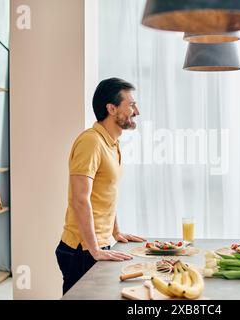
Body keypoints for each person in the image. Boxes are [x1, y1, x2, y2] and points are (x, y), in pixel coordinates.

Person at [55, 77, 146, 295]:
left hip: (98, 244)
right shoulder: (91, 141)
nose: (137, 111)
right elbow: (80, 198)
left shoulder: (112, 143)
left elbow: (105, 192)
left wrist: (115, 231)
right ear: (111, 108)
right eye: (131, 104)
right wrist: (94, 249)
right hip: (81, 249)